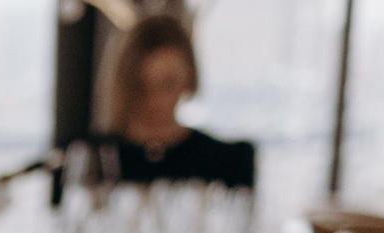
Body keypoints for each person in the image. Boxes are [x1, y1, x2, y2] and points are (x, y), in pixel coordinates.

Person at [77, 13, 254, 191]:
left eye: (168, 83)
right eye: (142, 86)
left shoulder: (227, 160)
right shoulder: (89, 159)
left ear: (188, 80)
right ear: (126, 85)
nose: (155, 99)